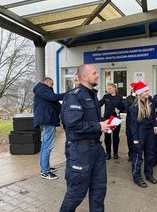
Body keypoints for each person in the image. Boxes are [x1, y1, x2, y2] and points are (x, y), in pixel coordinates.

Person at [60, 64, 110, 212]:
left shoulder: (92, 95)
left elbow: (92, 121)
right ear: (84, 77)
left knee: (99, 189)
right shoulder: (75, 96)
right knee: (76, 193)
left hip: (96, 148)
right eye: (94, 73)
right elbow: (72, 125)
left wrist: (104, 126)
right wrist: (98, 126)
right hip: (81, 150)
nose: (97, 75)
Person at [33, 77, 65, 180]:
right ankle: (45, 172)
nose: (52, 86)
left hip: (47, 120)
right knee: (48, 146)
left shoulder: (43, 91)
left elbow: (55, 103)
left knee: (44, 146)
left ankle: (45, 167)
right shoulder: (42, 89)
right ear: (46, 82)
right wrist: (69, 94)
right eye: (51, 84)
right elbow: (54, 98)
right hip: (47, 120)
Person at [130, 82, 157, 188]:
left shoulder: (150, 102)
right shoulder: (134, 107)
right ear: (140, 93)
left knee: (150, 154)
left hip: (150, 132)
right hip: (140, 132)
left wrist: (155, 125)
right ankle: (137, 178)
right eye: (145, 91)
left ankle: (149, 175)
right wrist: (135, 139)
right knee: (138, 156)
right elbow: (132, 125)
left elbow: (153, 115)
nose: (147, 92)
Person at [99, 83, 124, 160]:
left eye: (110, 88)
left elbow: (122, 107)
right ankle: (108, 153)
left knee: (116, 137)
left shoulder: (119, 97)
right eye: (107, 88)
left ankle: (115, 153)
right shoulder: (106, 96)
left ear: (114, 89)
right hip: (107, 119)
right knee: (107, 137)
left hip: (115, 119)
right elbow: (99, 104)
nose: (108, 90)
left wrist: (120, 110)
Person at [124, 82, 137, 162]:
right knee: (130, 138)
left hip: (138, 122)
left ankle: (137, 154)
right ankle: (131, 154)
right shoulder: (128, 98)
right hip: (130, 121)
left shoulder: (140, 97)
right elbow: (128, 109)